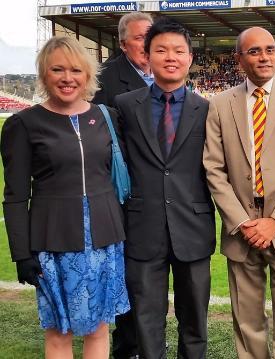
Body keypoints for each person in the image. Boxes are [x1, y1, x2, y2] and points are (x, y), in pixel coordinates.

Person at [0, 36, 129, 358]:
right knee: (60, 330)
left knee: (99, 327)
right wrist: (22, 255)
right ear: (44, 74)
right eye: (57, 69)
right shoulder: (23, 124)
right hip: (53, 241)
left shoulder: (106, 117)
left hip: (105, 240)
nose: (67, 78)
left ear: (87, 75)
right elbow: (15, 195)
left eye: (75, 70)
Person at [203, 26, 275, 359]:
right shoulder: (220, 104)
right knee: (247, 320)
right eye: (254, 51)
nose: (265, 57)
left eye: (270, 49)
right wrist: (243, 222)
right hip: (242, 227)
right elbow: (214, 168)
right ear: (238, 58)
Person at [114, 17, 215, 358]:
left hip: (193, 228)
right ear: (147, 55)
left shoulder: (207, 110)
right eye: (161, 50)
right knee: (146, 320)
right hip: (142, 228)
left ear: (190, 58)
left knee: (195, 320)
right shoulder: (127, 106)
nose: (170, 57)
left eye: (178, 50)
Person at [91, 11, 152, 359]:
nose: (148, 44)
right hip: (123, 198)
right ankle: (128, 347)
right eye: (141, 37)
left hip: (161, 197)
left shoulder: (165, 74)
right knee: (130, 276)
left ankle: (149, 343)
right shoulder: (104, 80)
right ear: (123, 42)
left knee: (151, 280)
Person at [92, 12, 153, 108]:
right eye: (139, 38)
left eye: (150, 37)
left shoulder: (166, 72)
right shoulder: (102, 77)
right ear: (123, 45)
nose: (147, 44)